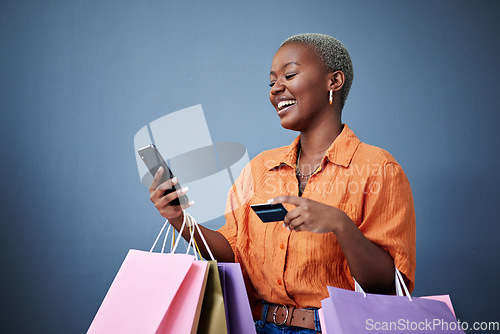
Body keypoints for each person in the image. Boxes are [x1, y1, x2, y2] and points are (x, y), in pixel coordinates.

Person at [149, 33, 416, 334]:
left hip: (336, 328)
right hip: (258, 326)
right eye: (272, 81)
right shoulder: (261, 167)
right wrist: (180, 220)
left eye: (289, 74)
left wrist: (341, 224)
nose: (276, 88)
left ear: (334, 81)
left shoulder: (379, 169)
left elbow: (388, 285)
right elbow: (232, 255)